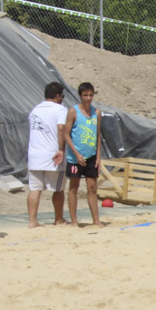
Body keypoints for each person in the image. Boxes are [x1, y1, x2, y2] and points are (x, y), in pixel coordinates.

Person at [26, 81, 68, 228]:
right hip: (53, 155)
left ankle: (32, 221)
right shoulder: (60, 110)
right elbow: (61, 128)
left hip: (34, 155)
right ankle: (58, 219)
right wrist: (61, 149)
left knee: (34, 189)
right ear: (57, 96)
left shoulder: (35, 110)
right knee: (58, 189)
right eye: (62, 95)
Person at [64, 81, 104, 227]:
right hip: (76, 157)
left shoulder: (97, 113)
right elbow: (66, 134)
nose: (88, 98)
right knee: (74, 187)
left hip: (91, 156)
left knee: (92, 187)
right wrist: (75, 153)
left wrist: (99, 157)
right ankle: (74, 221)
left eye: (90, 95)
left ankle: (96, 220)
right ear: (80, 96)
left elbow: (98, 136)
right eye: (85, 95)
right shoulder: (73, 112)